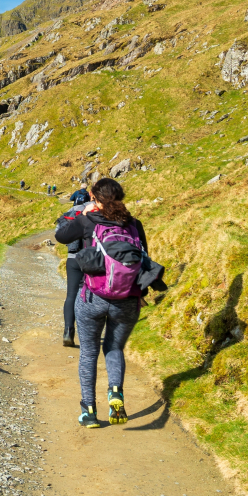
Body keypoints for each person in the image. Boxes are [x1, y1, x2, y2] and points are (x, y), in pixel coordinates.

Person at [55, 178, 155, 428]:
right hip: (128, 299)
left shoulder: (88, 219)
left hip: (93, 297)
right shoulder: (134, 224)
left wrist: (82, 213)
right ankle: (115, 394)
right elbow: (143, 258)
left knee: (89, 352)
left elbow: (61, 237)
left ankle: (89, 411)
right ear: (120, 197)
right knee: (114, 348)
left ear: (93, 196)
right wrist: (139, 292)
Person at [56, 188, 93, 348]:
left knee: (71, 294)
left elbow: (59, 234)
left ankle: (68, 331)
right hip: (93, 259)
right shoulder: (95, 209)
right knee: (92, 294)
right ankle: (89, 335)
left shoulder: (71, 211)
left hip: (72, 258)